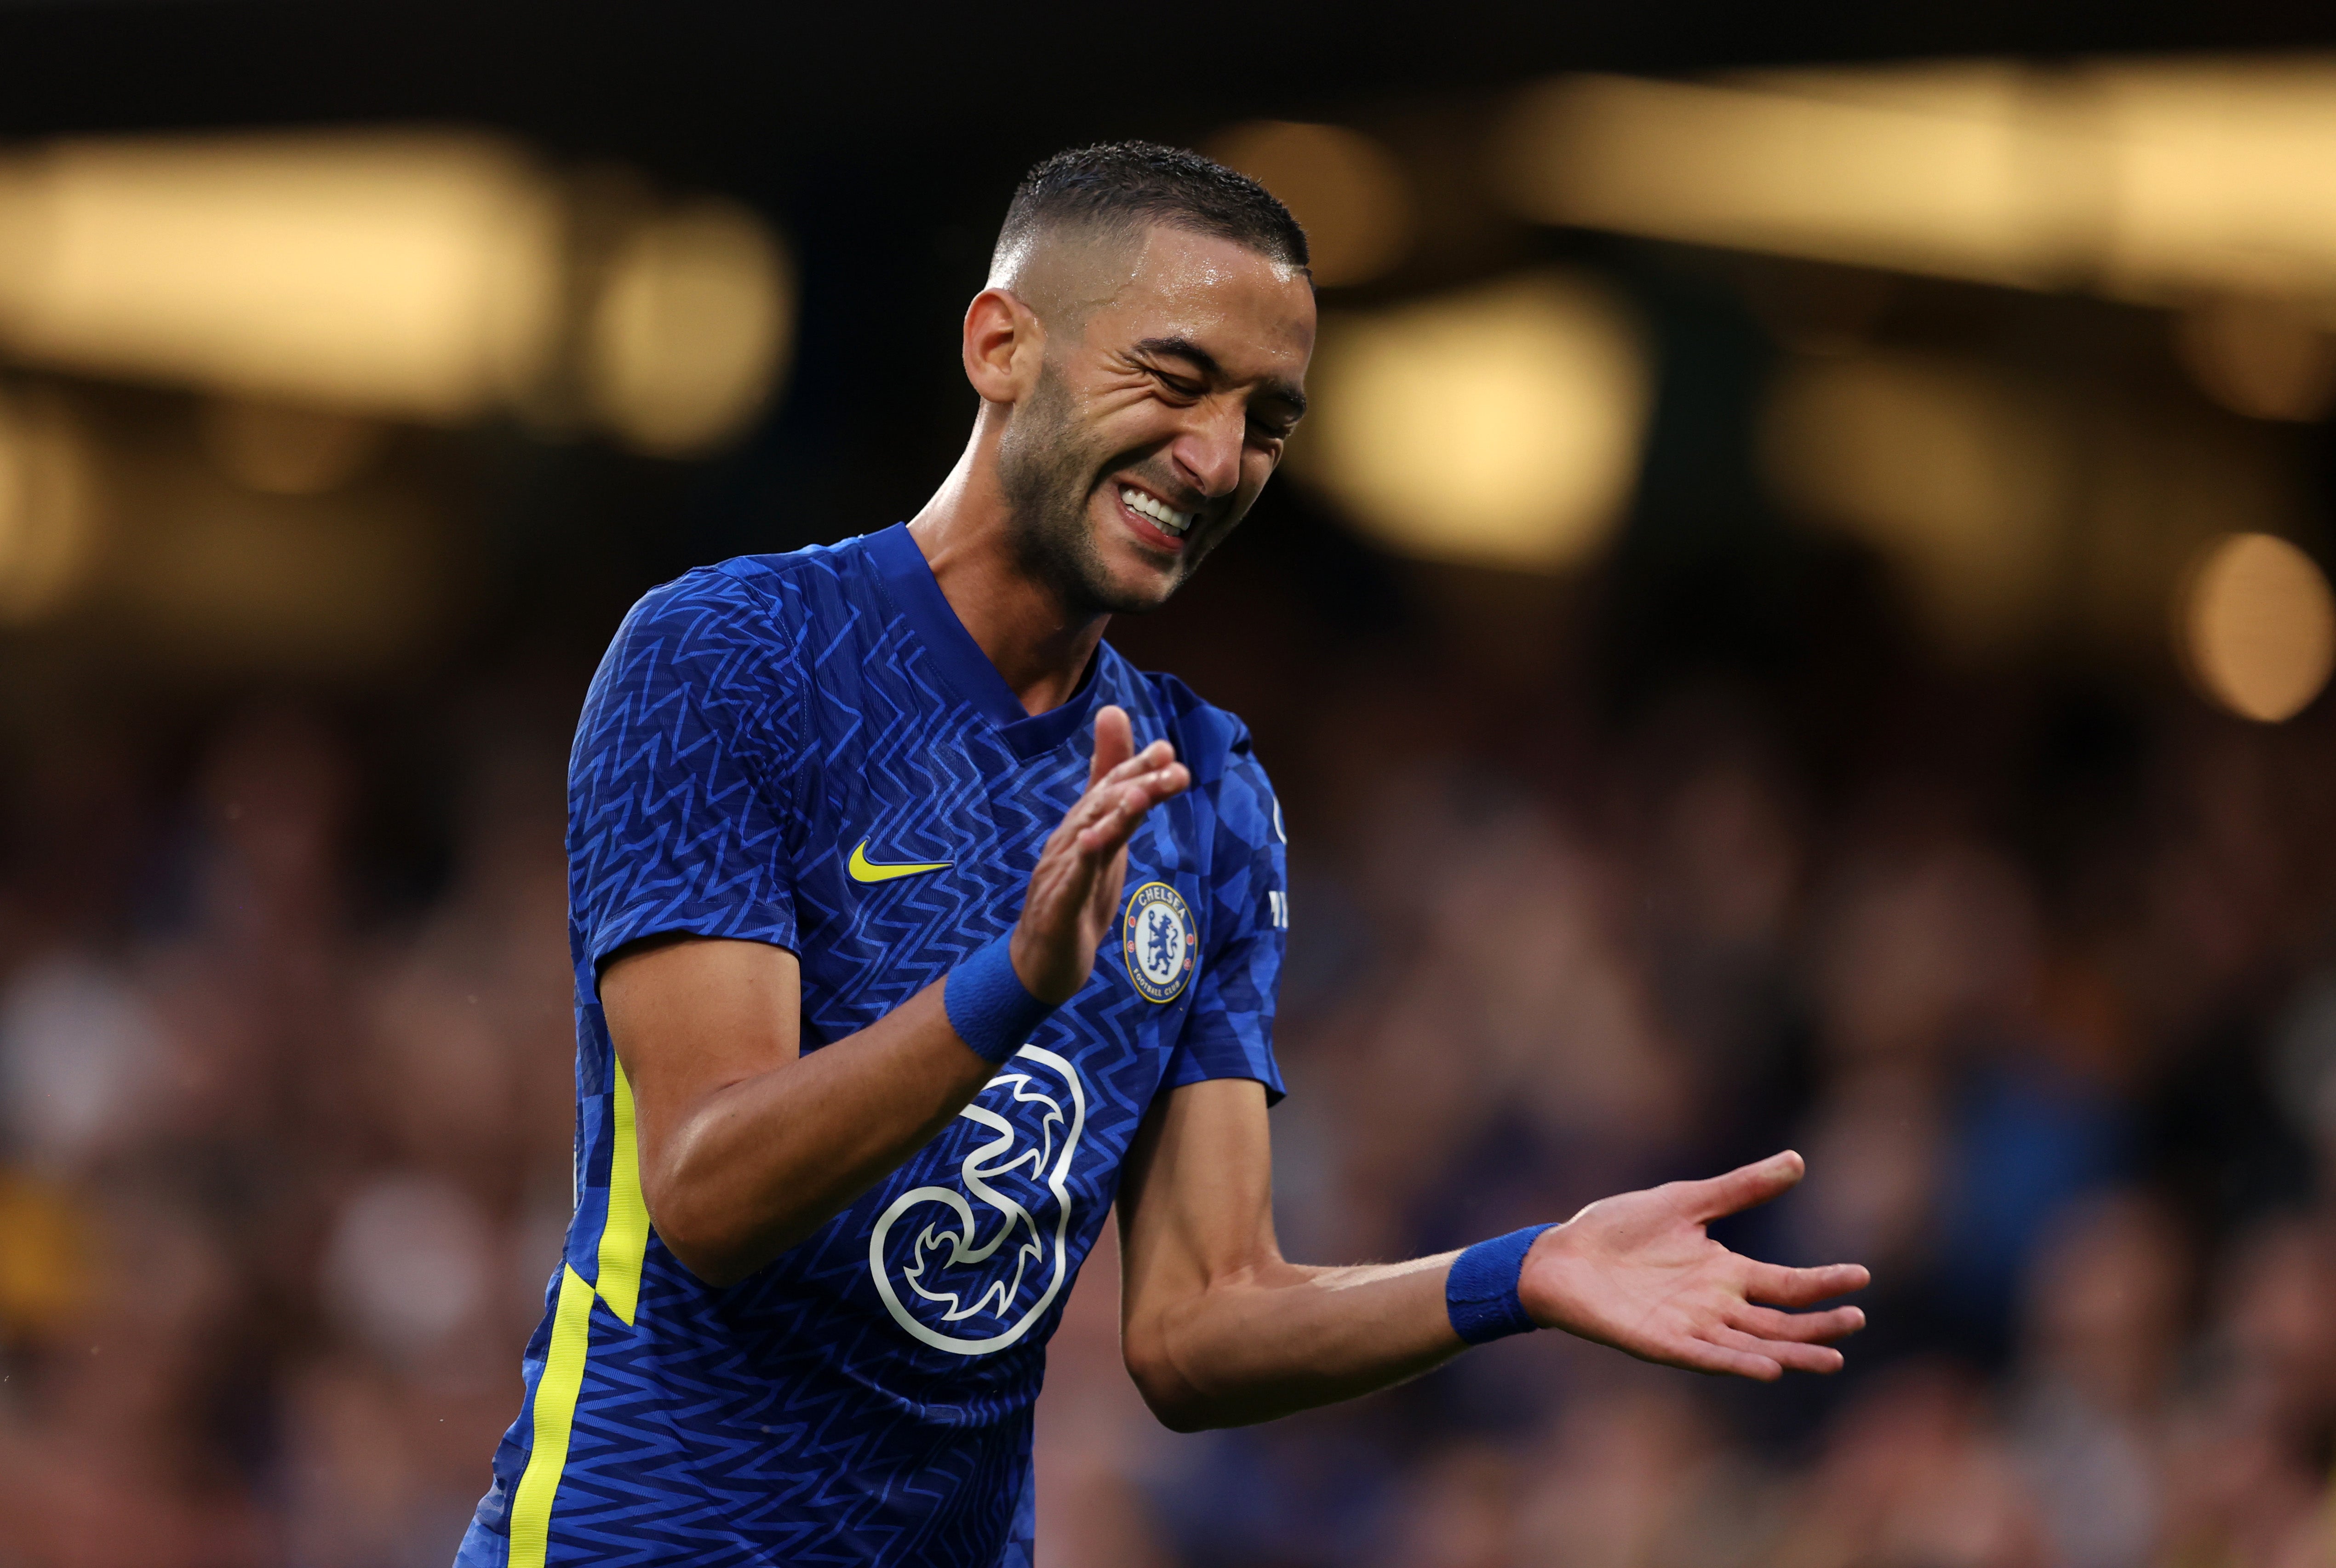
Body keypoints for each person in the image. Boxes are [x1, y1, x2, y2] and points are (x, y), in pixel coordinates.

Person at [453, 141, 1869, 1568]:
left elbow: (1198, 1327)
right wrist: (1010, 985)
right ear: (1001, 345)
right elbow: (707, 1193)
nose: (1216, 460)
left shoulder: (1206, 797)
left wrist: (1527, 1270)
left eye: (1269, 420)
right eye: (1178, 380)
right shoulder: (734, 658)